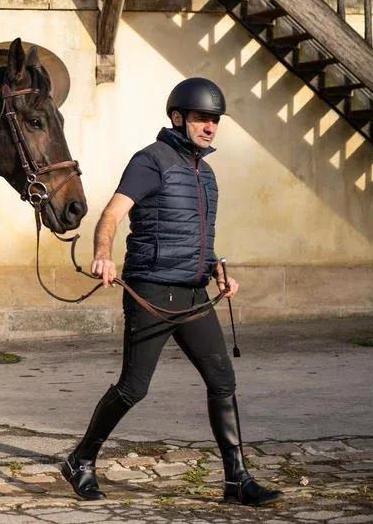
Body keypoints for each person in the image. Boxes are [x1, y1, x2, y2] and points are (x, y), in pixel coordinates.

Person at [61, 77, 281, 507]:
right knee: (134, 387)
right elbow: (111, 214)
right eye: (201, 118)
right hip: (152, 291)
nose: (209, 127)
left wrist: (218, 270)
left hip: (194, 293)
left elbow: (197, 237)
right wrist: (103, 254)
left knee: (222, 381)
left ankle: (237, 479)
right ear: (178, 118)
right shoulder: (151, 161)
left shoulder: (207, 175)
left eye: (214, 120)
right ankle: (81, 459)